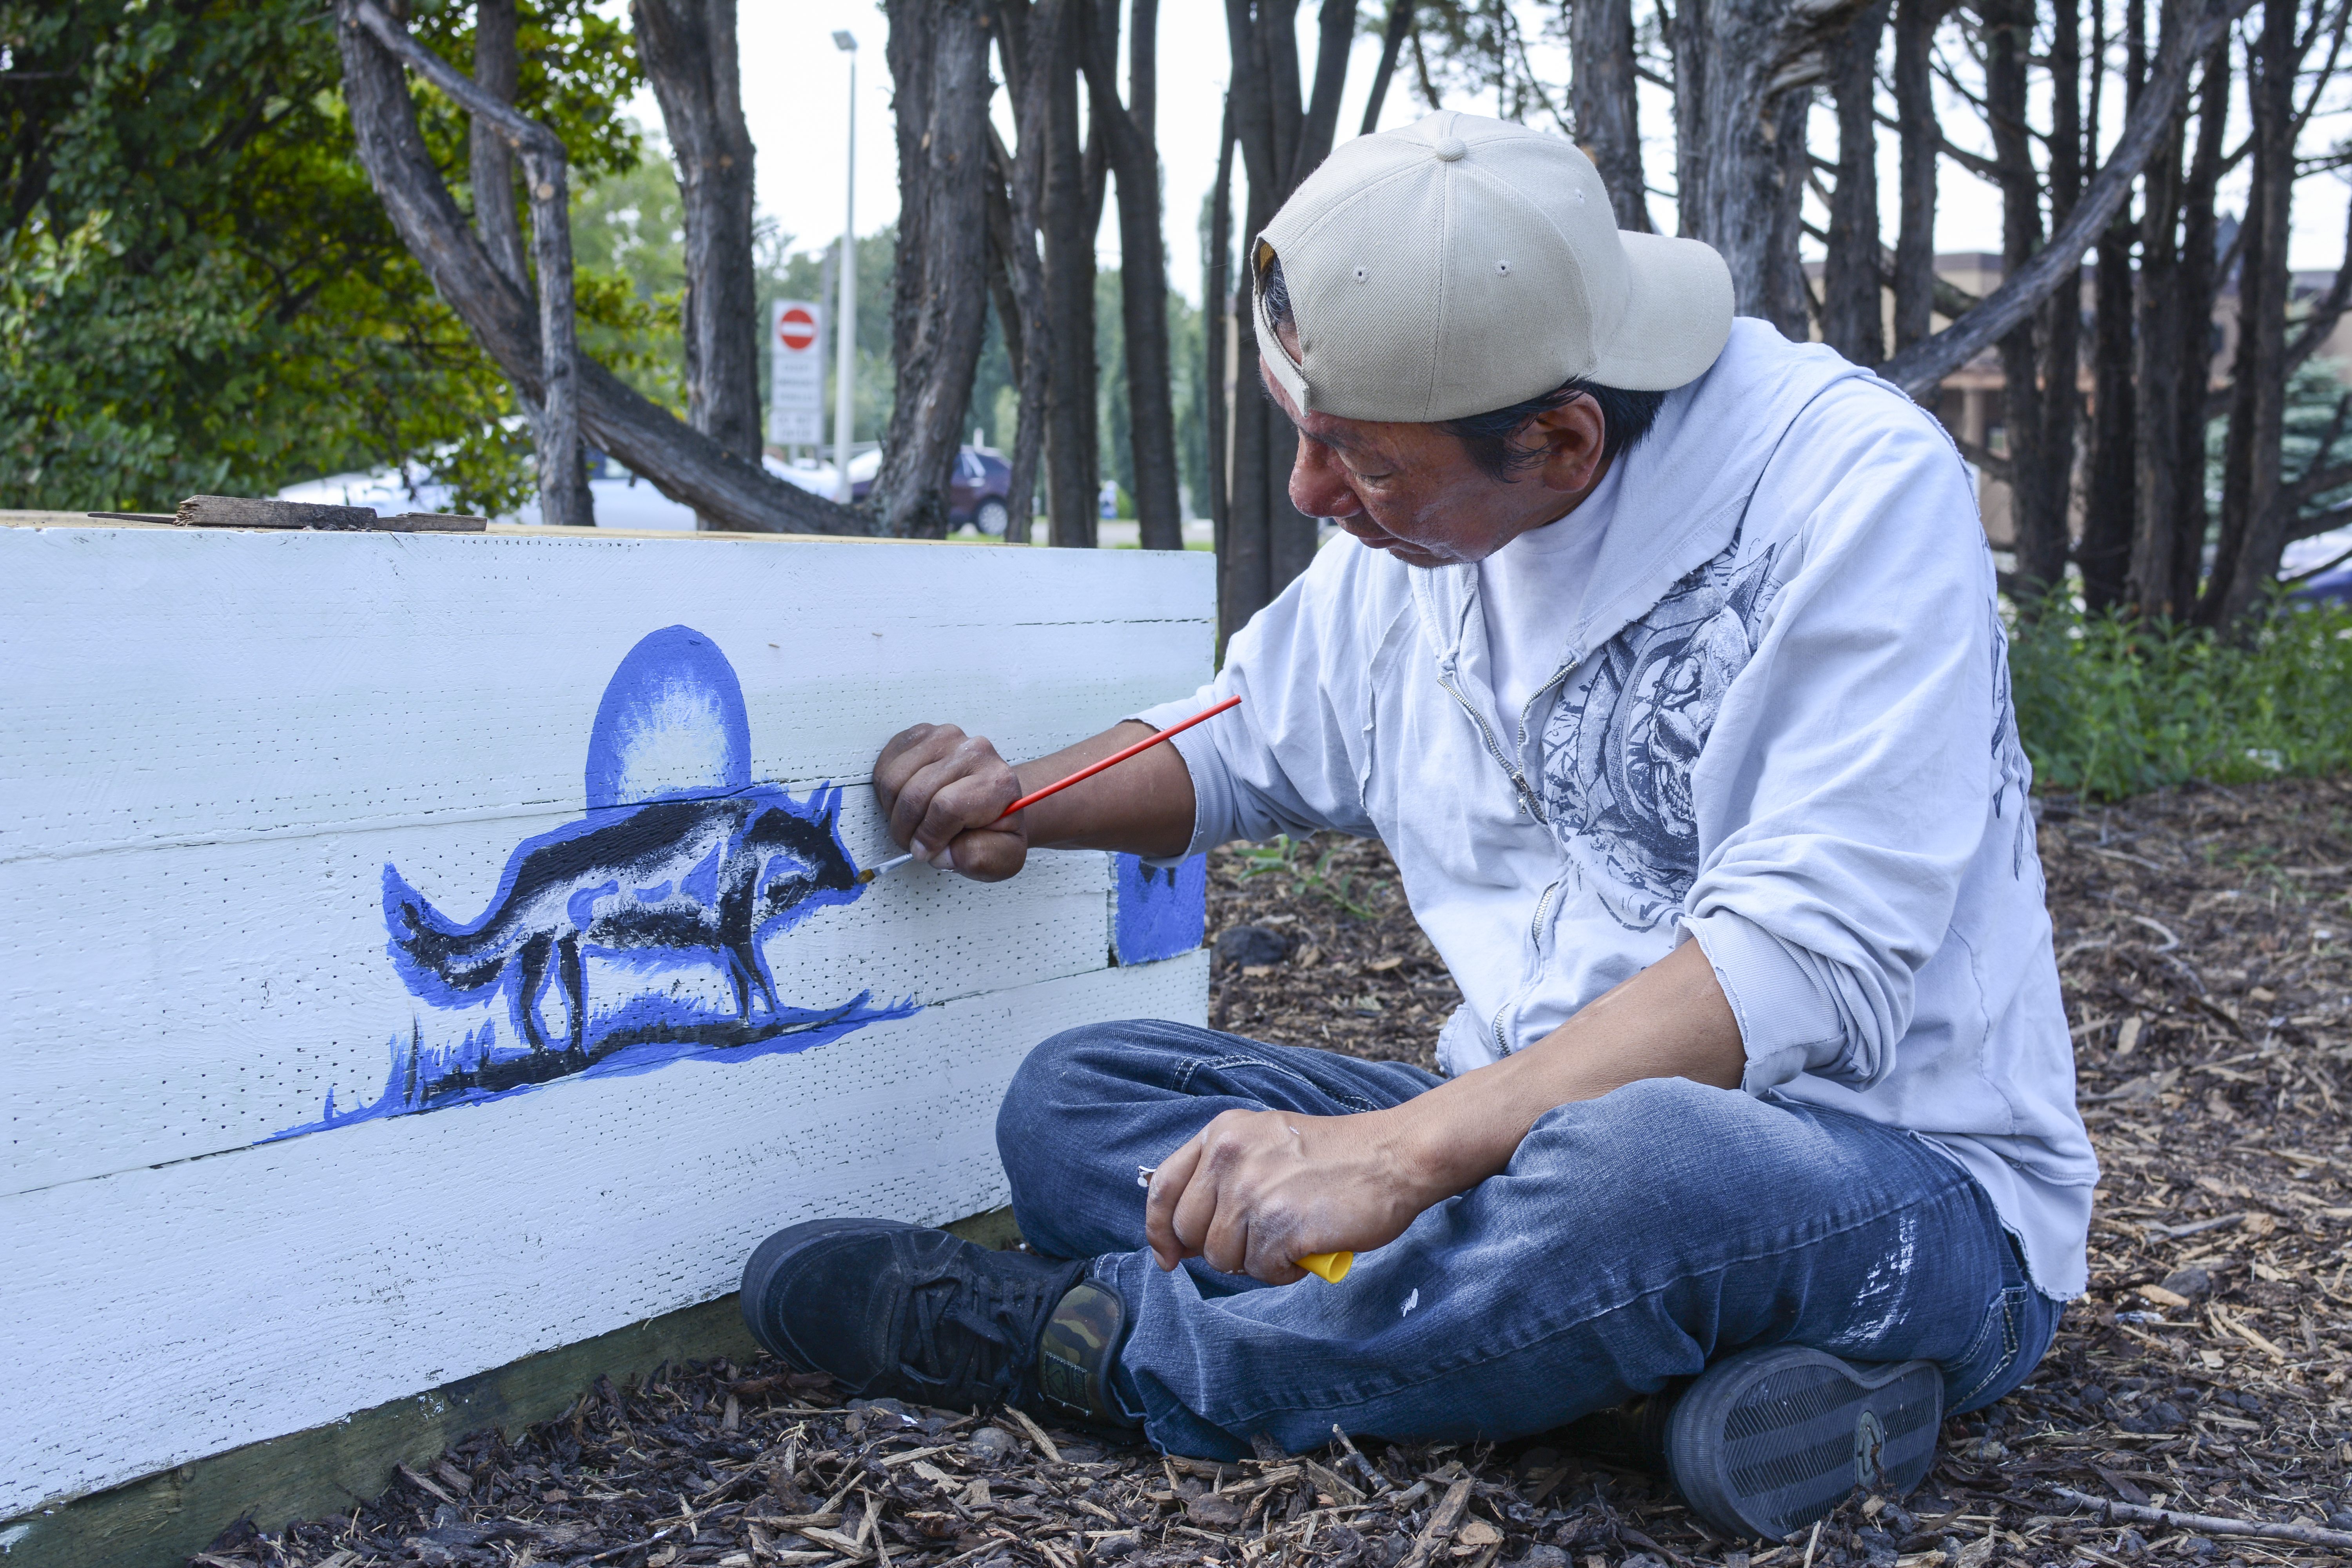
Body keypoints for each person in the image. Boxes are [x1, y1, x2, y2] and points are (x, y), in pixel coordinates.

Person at [736, 112, 2093, 1541]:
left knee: (1649, 1175)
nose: (1316, 497)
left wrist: (1394, 1161)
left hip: (1888, 1183)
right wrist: (1021, 803)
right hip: (1524, 1140)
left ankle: (1107, 1355)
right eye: (1306, 438)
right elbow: (1244, 735)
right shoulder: (1418, 519)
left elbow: (1801, 965)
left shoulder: (1855, 492)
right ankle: (1595, 1369)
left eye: (1363, 465)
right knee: (1078, 1100)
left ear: (1562, 441)